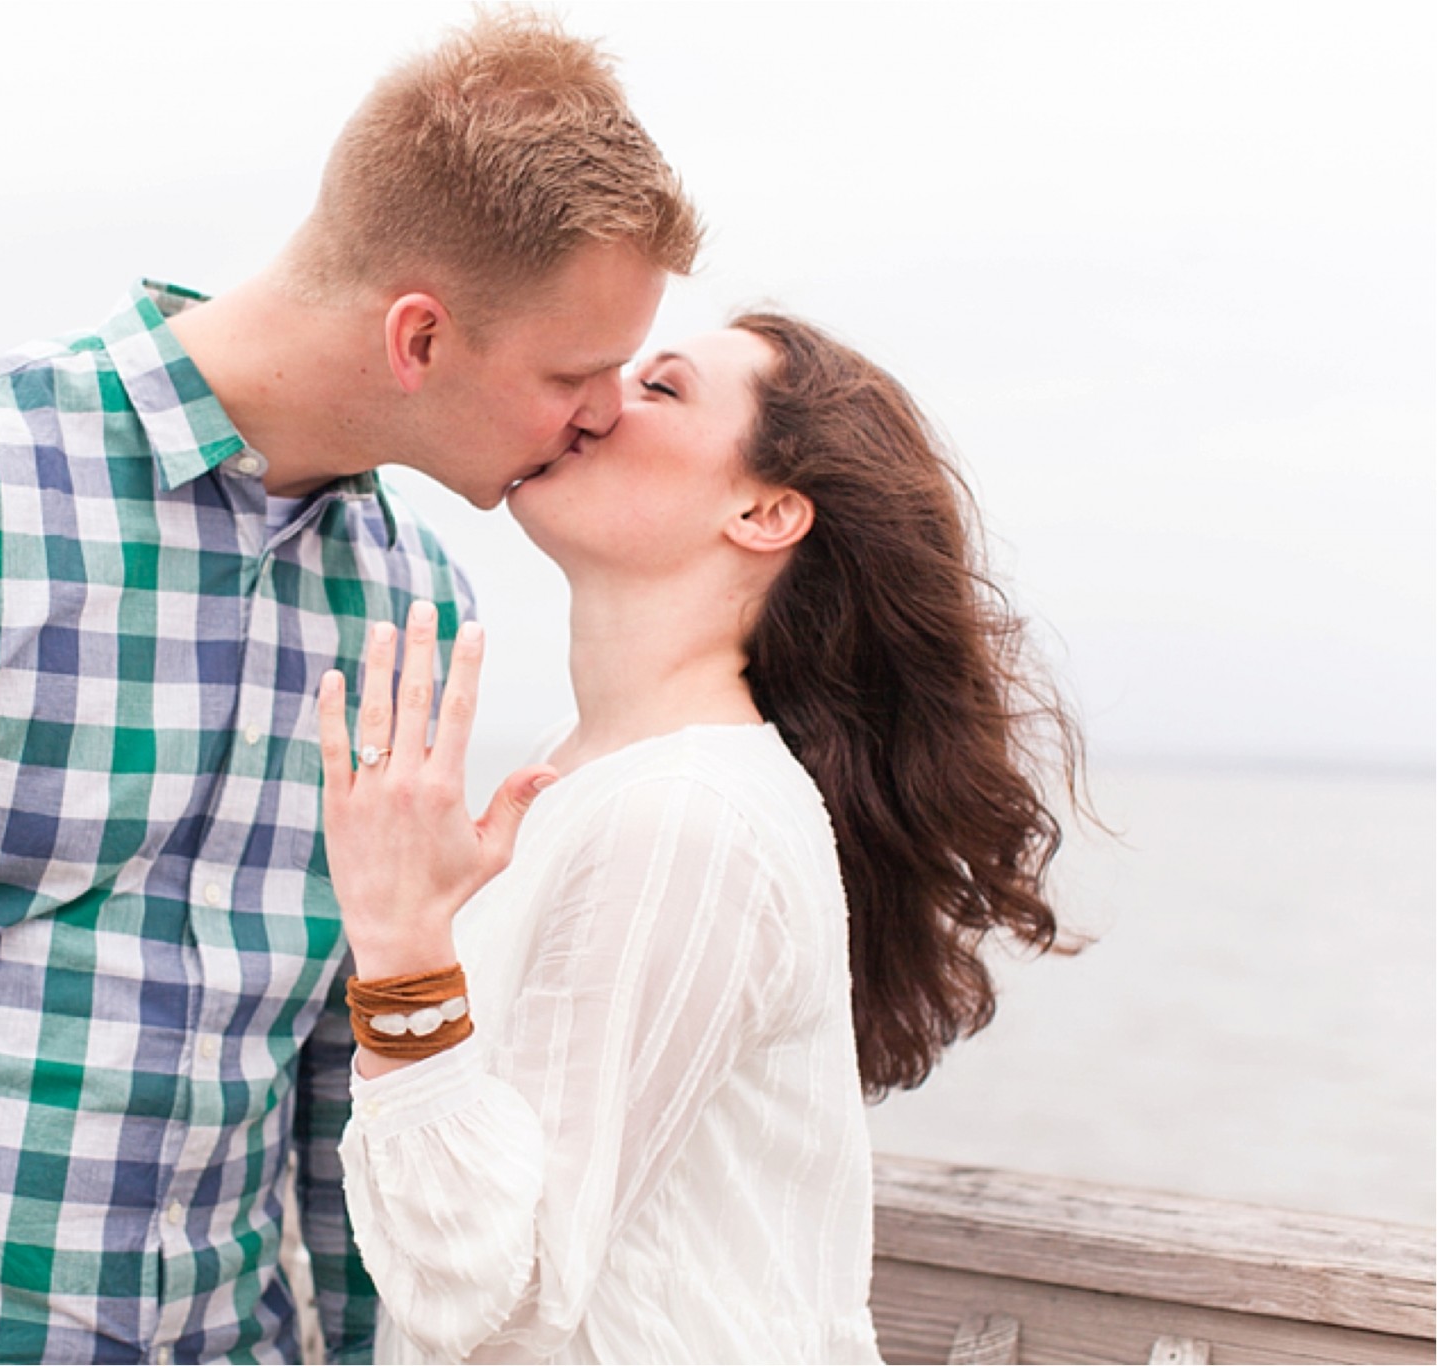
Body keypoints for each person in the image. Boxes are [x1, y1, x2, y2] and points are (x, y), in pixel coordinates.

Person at [0, 13, 699, 1363]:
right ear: (420, 337)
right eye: (573, 375)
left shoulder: (417, 606)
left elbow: (348, 1080)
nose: (598, 416)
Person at [319, 314, 1083, 1363]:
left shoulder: (683, 818)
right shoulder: (592, 773)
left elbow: (500, 1287)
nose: (595, 399)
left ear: (765, 511)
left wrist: (402, 950)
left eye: (660, 389)